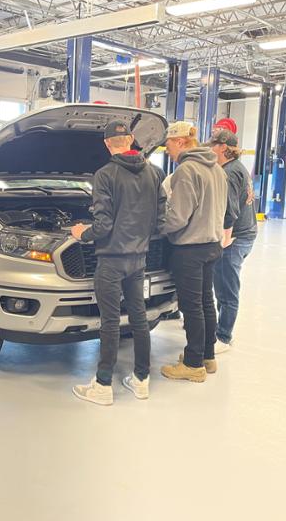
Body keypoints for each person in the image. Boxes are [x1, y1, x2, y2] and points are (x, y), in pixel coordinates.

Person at [70, 120, 166, 405]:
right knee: (139, 318)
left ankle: (102, 385)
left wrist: (81, 233)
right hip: (138, 260)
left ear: (106, 144)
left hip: (110, 260)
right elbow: (160, 221)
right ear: (132, 141)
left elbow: (103, 225)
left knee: (110, 322)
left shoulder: (105, 175)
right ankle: (141, 380)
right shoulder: (155, 173)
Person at [159, 121, 227, 383]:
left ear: (179, 142)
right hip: (212, 244)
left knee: (191, 306)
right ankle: (208, 356)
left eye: (168, 145)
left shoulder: (187, 170)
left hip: (190, 249)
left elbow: (178, 217)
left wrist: (159, 226)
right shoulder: (217, 169)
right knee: (206, 302)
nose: (167, 151)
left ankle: (192, 364)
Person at [207, 129, 258, 353]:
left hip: (235, 238)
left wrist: (225, 239)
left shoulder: (228, 172)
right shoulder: (239, 168)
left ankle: (223, 337)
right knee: (224, 285)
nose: (210, 149)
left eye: (213, 145)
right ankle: (222, 330)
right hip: (246, 233)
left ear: (223, 148)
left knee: (226, 289)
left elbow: (230, 210)